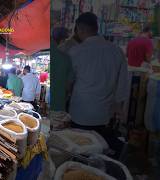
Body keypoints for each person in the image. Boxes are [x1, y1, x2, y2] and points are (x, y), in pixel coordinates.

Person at [69, 12, 129, 159]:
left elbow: (69, 83)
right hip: (104, 114)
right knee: (100, 149)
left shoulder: (75, 52)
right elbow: (122, 85)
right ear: (96, 28)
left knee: (80, 148)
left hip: (79, 112)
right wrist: (118, 107)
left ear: (80, 29)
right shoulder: (116, 51)